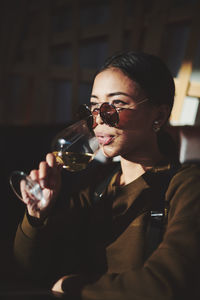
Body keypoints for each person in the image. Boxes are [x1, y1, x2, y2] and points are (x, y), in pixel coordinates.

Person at [14, 51, 200, 300]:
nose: (99, 118)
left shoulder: (187, 185)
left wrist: (76, 287)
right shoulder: (98, 186)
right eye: (94, 106)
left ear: (158, 115)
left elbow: (166, 285)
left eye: (117, 104)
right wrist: (37, 216)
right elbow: (32, 268)